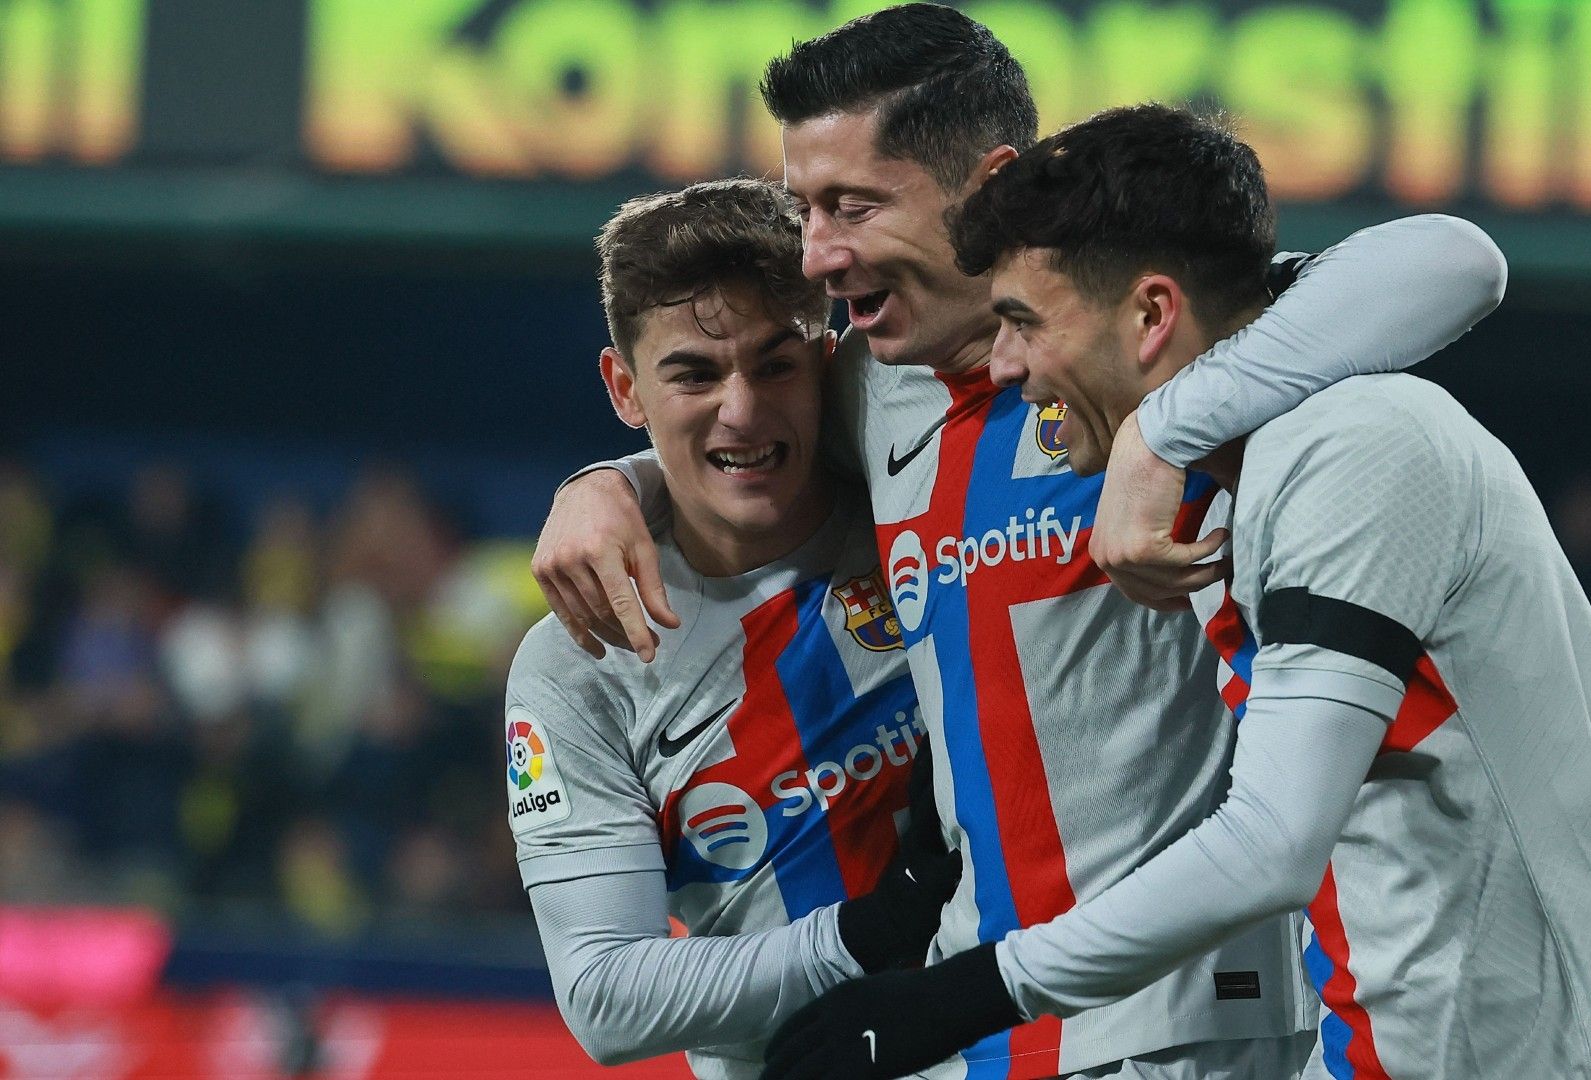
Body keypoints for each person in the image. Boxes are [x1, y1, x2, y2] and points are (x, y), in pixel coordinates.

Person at [532, 7, 1508, 1076]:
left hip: (1192, 1022)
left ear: (988, 183)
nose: (817, 253)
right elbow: (736, 435)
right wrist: (602, 488)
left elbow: (1454, 261)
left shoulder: (1142, 349)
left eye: (850, 205)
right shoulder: (874, 390)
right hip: (980, 1022)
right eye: (806, 209)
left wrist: (1161, 434)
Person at [763, 104, 1591, 1080]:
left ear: (1153, 313)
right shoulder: (1253, 462)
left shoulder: (1358, 447)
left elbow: (1273, 845)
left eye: (1024, 322)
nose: (1013, 367)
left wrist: (970, 992)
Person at [503, 179, 958, 1079]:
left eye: (776, 363)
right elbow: (605, 995)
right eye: (695, 374)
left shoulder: (926, 502)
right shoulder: (577, 657)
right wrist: (869, 931)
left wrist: (605, 481)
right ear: (624, 387)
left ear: (828, 362)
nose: (742, 410)